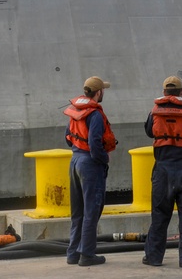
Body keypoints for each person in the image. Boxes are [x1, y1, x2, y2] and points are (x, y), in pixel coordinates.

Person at [143, 75, 182, 268]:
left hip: (163, 171)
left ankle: (154, 257)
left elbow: (149, 132)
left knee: (160, 215)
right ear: (181, 93)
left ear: (164, 93)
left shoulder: (154, 114)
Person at [64, 76, 117, 267]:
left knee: (77, 211)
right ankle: (87, 255)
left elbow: (68, 138)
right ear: (98, 92)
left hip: (75, 160)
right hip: (89, 164)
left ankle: (73, 254)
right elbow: (95, 144)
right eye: (103, 90)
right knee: (91, 211)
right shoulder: (95, 115)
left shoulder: (76, 110)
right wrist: (104, 160)